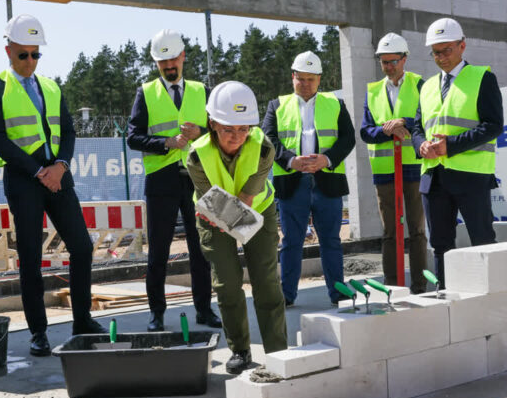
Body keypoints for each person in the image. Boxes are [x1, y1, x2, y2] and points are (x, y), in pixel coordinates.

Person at [0, 14, 105, 356]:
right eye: (23, 54)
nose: (30, 61)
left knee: (82, 247)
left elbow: (68, 131)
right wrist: (39, 171)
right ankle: (38, 332)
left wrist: (60, 166)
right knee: (31, 257)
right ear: (8, 50)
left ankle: (82, 319)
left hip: (58, 176)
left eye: (36, 54)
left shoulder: (51, 87)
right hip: (24, 180)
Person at [187, 81, 287, 375]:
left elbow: (245, 200)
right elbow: (213, 201)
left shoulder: (264, 148)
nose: (237, 137)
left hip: (257, 210)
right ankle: (240, 350)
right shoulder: (196, 156)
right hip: (213, 214)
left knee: (266, 281)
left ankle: (278, 351)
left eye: (244, 129)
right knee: (227, 283)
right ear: (212, 124)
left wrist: (222, 211)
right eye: (228, 129)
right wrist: (213, 212)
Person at [127, 29, 221, 332]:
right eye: (162, 62)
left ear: (183, 57)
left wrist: (200, 133)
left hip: (197, 178)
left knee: (201, 249)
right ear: (156, 63)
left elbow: (221, 132)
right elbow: (133, 137)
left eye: (173, 60)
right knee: (158, 252)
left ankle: (204, 310)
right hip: (161, 181)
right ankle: (156, 313)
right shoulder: (146, 93)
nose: (169, 66)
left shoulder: (202, 91)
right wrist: (165, 143)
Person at [411, 18, 503, 289]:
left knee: (482, 240)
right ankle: (445, 295)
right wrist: (421, 145)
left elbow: (493, 125)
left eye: (446, 50)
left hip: (471, 177)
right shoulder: (427, 86)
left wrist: (450, 145)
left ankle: (490, 296)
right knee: (440, 245)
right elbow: (417, 127)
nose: (441, 57)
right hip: (433, 177)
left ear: (462, 46)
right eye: (435, 52)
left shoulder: (483, 78)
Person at [262, 51, 355, 307]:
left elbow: (348, 138)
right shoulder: (277, 105)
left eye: (310, 79)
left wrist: (327, 159)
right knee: (291, 242)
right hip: (293, 183)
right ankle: (287, 295)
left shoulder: (335, 104)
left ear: (319, 79)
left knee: (331, 241)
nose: (305, 84)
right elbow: (267, 139)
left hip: (327, 182)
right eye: (300, 78)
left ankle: (338, 292)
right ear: (292, 77)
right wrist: (290, 160)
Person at [361, 33, 428, 294]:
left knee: (417, 230)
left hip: (414, 168)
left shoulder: (420, 85)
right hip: (385, 172)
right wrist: (386, 130)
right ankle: (392, 286)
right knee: (390, 231)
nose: (389, 66)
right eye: (384, 61)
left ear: (404, 59)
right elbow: (366, 131)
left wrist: (404, 123)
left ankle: (419, 286)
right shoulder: (373, 91)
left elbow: (427, 119)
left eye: (393, 61)